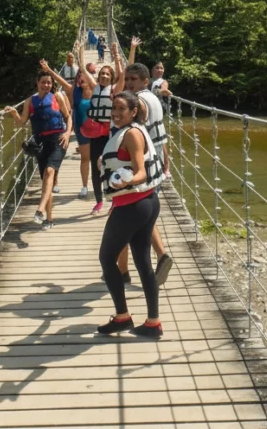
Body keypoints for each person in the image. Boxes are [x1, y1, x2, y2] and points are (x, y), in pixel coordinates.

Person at [96, 90, 165, 339]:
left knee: (107, 259)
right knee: (143, 262)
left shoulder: (132, 134)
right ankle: (153, 323)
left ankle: (122, 317)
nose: (115, 113)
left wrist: (124, 182)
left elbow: (141, 173)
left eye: (121, 109)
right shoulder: (129, 131)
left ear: (133, 112)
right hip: (146, 203)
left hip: (132, 205)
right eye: (113, 109)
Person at [112, 40, 174, 286]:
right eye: (127, 79)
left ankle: (126, 270)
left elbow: (142, 113)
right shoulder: (153, 96)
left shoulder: (139, 101)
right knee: (143, 214)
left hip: (141, 163)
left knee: (126, 214)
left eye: (133, 80)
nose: (128, 83)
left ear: (145, 81)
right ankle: (156, 257)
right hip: (154, 162)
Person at [4, 71, 72, 229]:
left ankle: (40, 209)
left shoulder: (57, 97)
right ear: (37, 82)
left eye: (49, 83)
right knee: (46, 180)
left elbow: (68, 117)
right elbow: (21, 123)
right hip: (40, 143)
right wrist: (14, 113)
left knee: (49, 171)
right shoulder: (30, 101)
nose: (46, 85)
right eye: (43, 82)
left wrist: (68, 134)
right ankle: (49, 219)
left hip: (58, 140)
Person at [41, 51, 92, 199]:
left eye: (84, 76)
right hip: (82, 129)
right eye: (79, 77)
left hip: (98, 129)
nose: (81, 79)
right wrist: (48, 70)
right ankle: (84, 186)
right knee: (85, 158)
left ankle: (100, 185)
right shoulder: (73, 91)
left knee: (98, 159)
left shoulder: (96, 89)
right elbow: (59, 79)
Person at [81, 43, 115, 214]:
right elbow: (82, 68)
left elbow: (124, 73)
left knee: (111, 166)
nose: (104, 76)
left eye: (107, 74)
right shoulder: (94, 87)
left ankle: (114, 200)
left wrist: (118, 55)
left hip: (110, 134)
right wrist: (80, 51)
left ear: (111, 77)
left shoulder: (114, 89)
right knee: (96, 167)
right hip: (96, 133)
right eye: (102, 73)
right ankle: (99, 201)